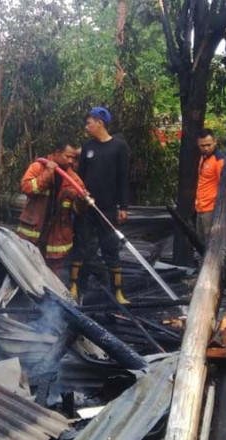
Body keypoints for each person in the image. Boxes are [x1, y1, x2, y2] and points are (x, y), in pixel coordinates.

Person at [70, 106, 130, 304]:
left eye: (89, 123)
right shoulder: (87, 147)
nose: (86, 127)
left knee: (110, 248)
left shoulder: (119, 147)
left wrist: (123, 206)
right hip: (87, 208)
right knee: (81, 246)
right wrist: (78, 199)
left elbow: (123, 178)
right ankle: (75, 287)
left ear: (100, 122)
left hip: (107, 208)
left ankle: (118, 292)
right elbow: (79, 177)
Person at [17, 141, 86, 281]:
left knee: (54, 277)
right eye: (68, 156)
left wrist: (81, 200)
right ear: (57, 153)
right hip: (33, 233)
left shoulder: (74, 180)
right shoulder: (38, 167)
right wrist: (48, 173)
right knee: (26, 273)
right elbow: (27, 188)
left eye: (73, 158)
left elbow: (77, 211)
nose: (71, 161)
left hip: (57, 236)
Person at [194, 128, 225, 243]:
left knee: (210, 243)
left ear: (215, 142)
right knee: (201, 242)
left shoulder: (219, 160)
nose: (206, 148)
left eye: (208, 145)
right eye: (202, 146)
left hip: (211, 209)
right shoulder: (204, 158)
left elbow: (224, 185)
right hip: (201, 207)